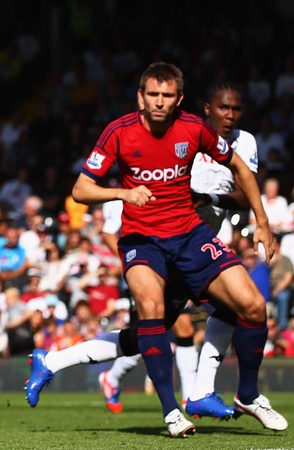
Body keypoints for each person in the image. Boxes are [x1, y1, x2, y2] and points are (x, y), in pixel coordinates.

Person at [26, 63, 282, 437]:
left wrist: (262, 221)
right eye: (153, 95)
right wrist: (123, 192)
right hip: (143, 240)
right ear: (141, 97)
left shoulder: (195, 128)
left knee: (251, 306)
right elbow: (81, 190)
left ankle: (242, 394)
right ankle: (174, 410)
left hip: (192, 237)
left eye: (167, 96)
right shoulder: (119, 132)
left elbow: (242, 171)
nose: (159, 102)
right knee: (153, 318)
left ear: (179, 99)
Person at [99, 82, 266, 421]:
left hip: (204, 242)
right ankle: (114, 375)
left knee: (224, 313)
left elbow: (245, 190)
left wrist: (211, 200)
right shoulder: (165, 148)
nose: (230, 116)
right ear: (207, 108)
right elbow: (111, 222)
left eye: (236, 110)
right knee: (156, 325)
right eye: (223, 108)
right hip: (160, 245)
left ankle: (198, 392)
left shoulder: (242, 142)